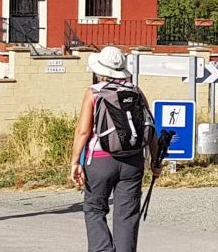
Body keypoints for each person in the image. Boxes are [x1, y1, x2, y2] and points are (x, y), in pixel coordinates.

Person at [68, 46, 161, 252]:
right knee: (127, 215)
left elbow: (83, 131)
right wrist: (155, 160)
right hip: (133, 161)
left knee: (94, 209)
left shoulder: (94, 92)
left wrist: (75, 162)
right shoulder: (135, 91)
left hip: (100, 160)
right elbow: (151, 127)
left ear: (100, 70)